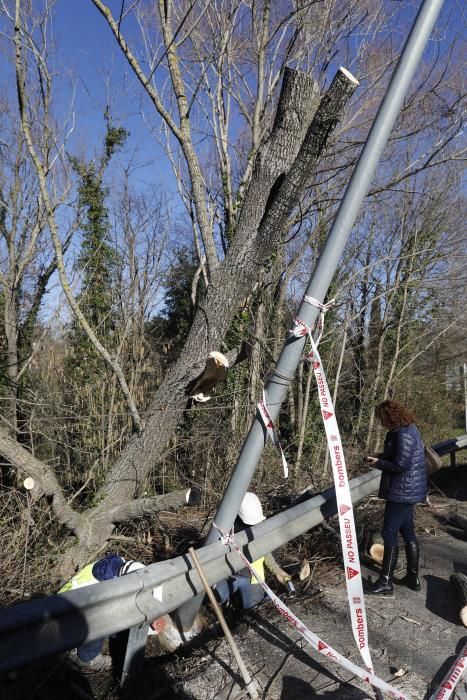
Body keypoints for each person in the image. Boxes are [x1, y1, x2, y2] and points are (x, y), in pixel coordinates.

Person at [364, 399, 427, 596]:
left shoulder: (404, 433)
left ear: (390, 416)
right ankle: (412, 577)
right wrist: (380, 456)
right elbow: (399, 456)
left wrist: (378, 464)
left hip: (402, 491)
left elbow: (401, 465)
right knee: (407, 531)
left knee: (389, 533)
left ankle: (385, 582)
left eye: (382, 417)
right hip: (406, 490)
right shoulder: (405, 430)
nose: (380, 421)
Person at [59, 553, 145, 670]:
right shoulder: (103, 584)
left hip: (70, 603)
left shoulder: (116, 566)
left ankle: (104, 636)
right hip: (65, 614)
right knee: (102, 619)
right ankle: (87, 658)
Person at [213, 492, 294, 609]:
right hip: (226, 575)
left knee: (253, 610)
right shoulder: (224, 527)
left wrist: (278, 572)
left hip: (253, 578)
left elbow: (268, 556)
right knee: (214, 599)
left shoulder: (261, 528)